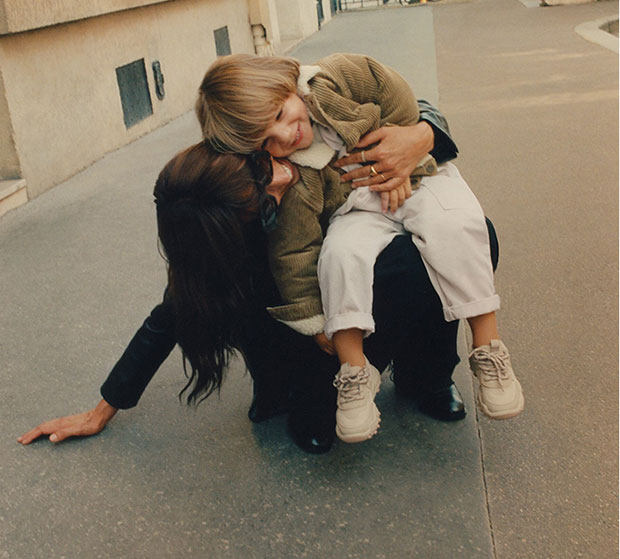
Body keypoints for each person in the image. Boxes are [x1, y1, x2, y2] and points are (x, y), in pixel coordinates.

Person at [18, 98, 491, 455]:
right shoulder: (222, 251)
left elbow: (391, 100)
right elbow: (166, 318)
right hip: (306, 348)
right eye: (264, 195)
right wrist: (102, 410)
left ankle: (426, 375)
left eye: (261, 167)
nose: (281, 177)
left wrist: (422, 134)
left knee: (453, 243)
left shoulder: (270, 137)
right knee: (318, 429)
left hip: (361, 276)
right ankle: (324, 390)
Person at [196, 53, 524, 443]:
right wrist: (312, 320)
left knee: (460, 232)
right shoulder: (267, 182)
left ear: (287, 84)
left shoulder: (330, 82)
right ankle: (353, 373)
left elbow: (393, 91)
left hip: (411, 185)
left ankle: (468, 357)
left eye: (280, 115)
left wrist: (410, 145)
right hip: (342, 236)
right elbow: (294, 252)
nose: (285, 136)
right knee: (342, 258)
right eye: (267, 141)